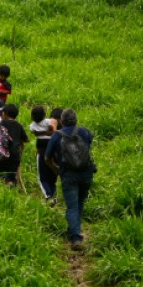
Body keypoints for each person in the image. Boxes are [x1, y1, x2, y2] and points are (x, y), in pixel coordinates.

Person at [45, 109, 96, 247]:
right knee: (80, 203)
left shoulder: (57, 136)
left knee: (72, 206)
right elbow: (89, 143)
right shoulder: (84, 132)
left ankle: (75, 236)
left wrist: (57, 170)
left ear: (62, 121)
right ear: (76, 120)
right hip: (86, 173)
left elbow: (47, 158)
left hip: (68, 174)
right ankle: (74, 229)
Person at [30, 105, 59, 205]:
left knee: (42, 177)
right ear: (44, 114)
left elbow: (36, 133)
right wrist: (49, 131)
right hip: (53, 150)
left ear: (32, 117)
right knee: (53, 175)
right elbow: (53, 130)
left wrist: (44, 132)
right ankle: (54, 196)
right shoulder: (49, 121)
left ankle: (48, 196)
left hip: (42, 150)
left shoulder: (32, 125)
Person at [0, 104, 28, 186]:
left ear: (5, 113)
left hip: (4, 153)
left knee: (0, 174)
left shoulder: (2, 123)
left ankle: (5, 189)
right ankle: (12, 186)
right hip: (15, 154)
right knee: (11, 176)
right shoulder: (18, 125)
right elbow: (26, 139)